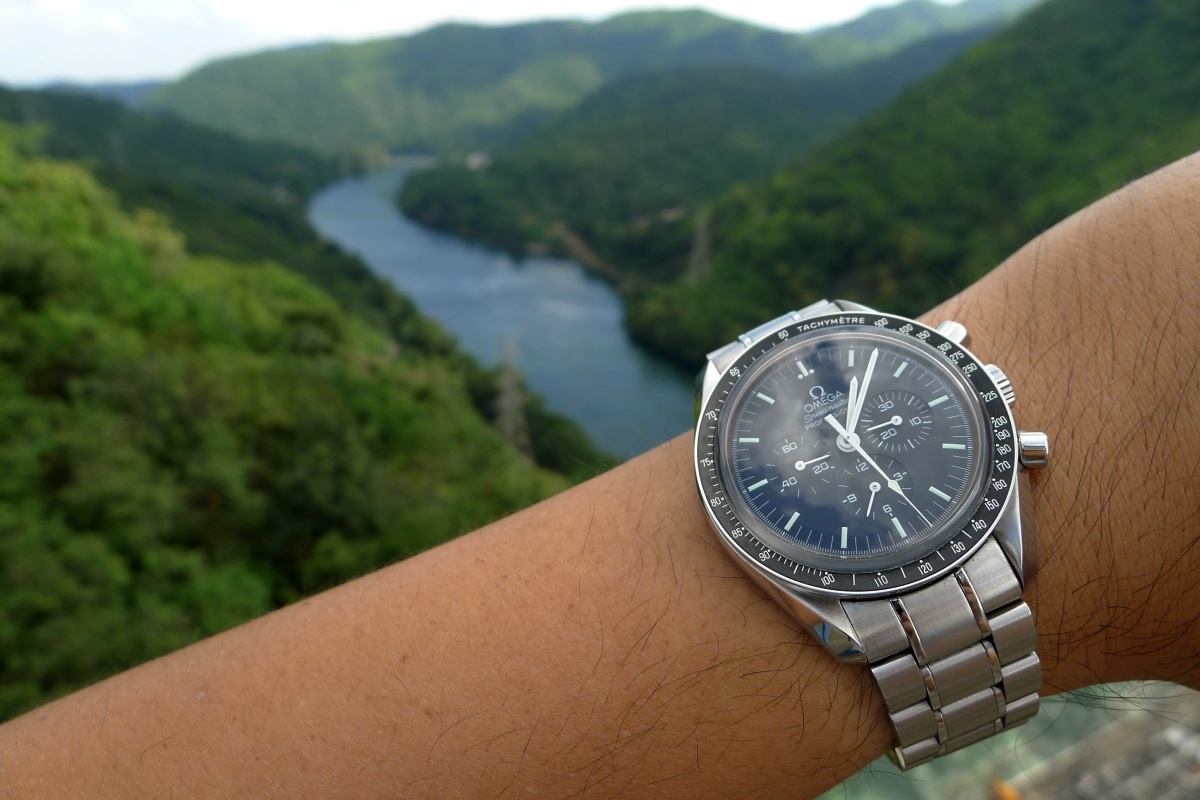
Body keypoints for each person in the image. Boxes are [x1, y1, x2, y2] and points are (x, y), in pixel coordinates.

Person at [2, 152, 1199, 800]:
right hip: (879, 592)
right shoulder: (796, 539)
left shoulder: (970, 443)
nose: (844, 442)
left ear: (995, 405)